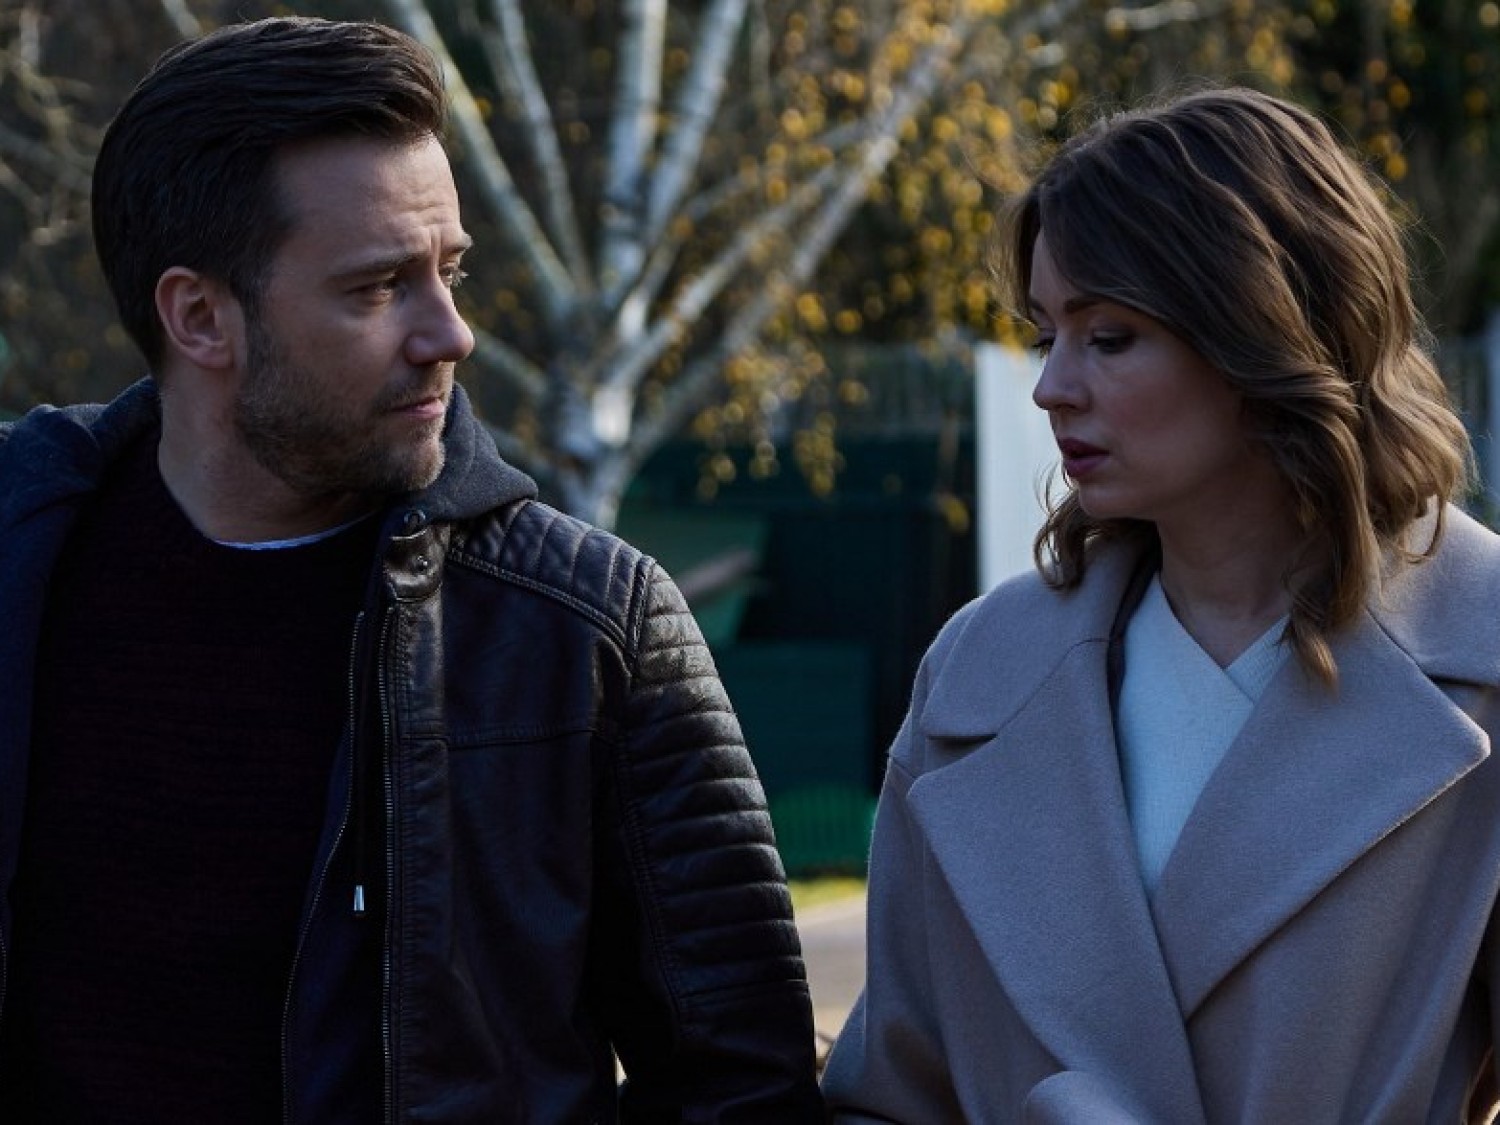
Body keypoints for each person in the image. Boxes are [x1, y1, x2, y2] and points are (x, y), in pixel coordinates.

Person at [0, 16, 823, 1122]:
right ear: (200, 317)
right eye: (381, 286)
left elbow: (742, 1087)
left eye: (452, 271)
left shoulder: (584, 626)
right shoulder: (22, 560)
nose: (451, 334)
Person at [822, 85, 1500, 1123]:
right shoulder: (978, 677)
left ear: (1265, 332)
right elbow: (890, 1095)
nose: (1051, 387)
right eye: (1046, 334)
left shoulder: (1482, 655)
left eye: (1110, 336)